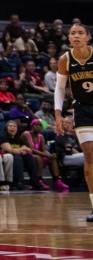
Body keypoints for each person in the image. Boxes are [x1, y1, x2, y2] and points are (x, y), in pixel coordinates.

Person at [53, 22, 93, 222]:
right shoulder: (65, 59)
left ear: (88, 37)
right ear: (69, 38)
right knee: (89, 155)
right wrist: (58, 114)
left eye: (80, 33)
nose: (76, 36)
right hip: (83, 110)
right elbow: (60, 89)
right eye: (72, 33)